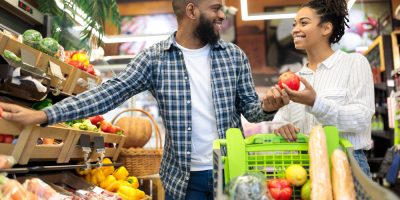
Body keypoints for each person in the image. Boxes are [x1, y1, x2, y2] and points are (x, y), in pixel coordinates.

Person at [0, 0, 289, 199]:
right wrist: (43, 115)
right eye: (215, 8)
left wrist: (268, 106)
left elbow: (252, 111)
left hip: (230, 172)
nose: (223, 15)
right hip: (182, 181)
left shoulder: (234, 56)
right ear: (191, 10)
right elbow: (109, 93)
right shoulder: (155, 59)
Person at [272, 0, 374, 177]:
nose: (295, 29)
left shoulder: (354, 63)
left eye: (304, 23)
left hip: (347, 164)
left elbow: (361, 118)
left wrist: (316, 103)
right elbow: (282, 119)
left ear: (326, 28)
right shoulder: (295, 78)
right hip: (304, 168)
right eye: (294, 24)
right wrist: (281, 126)